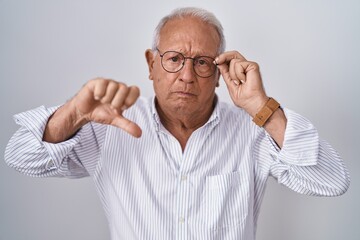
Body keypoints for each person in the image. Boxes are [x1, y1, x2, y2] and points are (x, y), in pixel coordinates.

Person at [4, 7, 349, 240]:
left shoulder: (252, 131)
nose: (186, 75)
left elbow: (331, 182)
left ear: (218, 74)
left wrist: (262, 107)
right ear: (151, 64)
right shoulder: (110, 124)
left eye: (201, 62)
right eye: (173, 59)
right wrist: (74, 115)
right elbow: (20, 155)